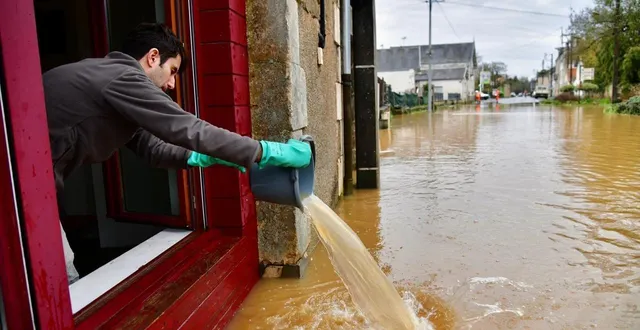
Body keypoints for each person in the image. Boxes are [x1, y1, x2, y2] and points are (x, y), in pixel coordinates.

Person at [43, 23, 312, 283]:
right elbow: (189, 129)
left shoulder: (113, 85)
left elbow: (152, 149)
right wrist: (265, 151)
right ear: (153, 57)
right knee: (60, 282)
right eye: (172, 71)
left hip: (38, 187)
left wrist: (201, 157)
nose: (172, 84)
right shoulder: (123, 77)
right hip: (24, 189)